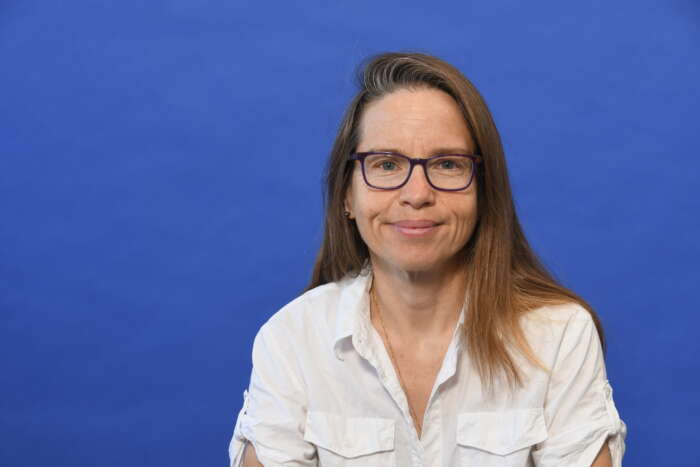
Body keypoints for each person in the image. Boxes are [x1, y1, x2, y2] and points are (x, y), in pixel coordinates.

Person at [227, 51, 627, 467]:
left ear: (483, 192)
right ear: (347, 194)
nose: (417, 194)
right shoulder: (291, 340)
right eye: (385, 164)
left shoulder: (559, 336)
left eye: (448, 164)